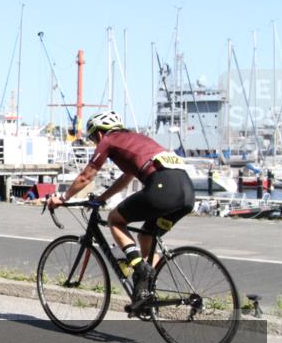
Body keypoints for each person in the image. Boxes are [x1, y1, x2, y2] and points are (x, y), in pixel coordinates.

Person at [47, 111, 195, 311]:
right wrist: (101, 199)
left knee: (115, 219)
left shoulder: (108, 140)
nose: (94, 143)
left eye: (92, 139)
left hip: (163, 188)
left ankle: (140, 270)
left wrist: (63, 198)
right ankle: (147, 294)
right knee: (146, 239)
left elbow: (86, 176)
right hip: (186, 193)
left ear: (99, 133)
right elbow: (126, 178)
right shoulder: (137, 139)